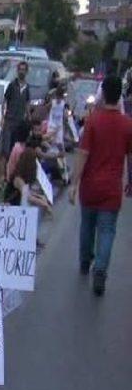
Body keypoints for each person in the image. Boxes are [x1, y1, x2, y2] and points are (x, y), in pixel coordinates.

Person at [69, 76, 132, 296]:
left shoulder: (94, 121)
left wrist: (74, 184)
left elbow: (82, 154)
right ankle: (101, 271)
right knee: (107, 231)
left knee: (87, 225)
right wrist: (130, 182)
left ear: (103, 93)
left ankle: (85, 260)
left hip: (90, 186)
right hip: (112, 189)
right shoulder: (127, 124)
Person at [0, 61, 30, 159]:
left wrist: (28, 117)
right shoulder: (12, 85)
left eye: (24, 70)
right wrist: (3, 117)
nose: (21, 72)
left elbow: (27, 102)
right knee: (5, 149)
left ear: (26, 72)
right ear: (17, 71)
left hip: (19, 122)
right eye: (20, 69)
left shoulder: (27, 87)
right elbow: (4, 101)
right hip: (9, 120)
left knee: (15, 149)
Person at [5, 148, 52, 213]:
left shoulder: (22, 177)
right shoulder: (18, 179)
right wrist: (44, 204)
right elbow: (28, 196)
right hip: (13, 207)